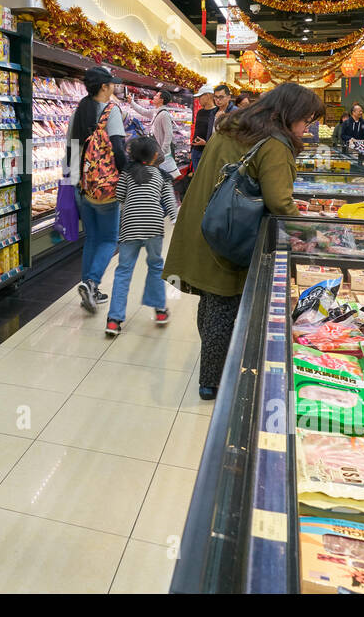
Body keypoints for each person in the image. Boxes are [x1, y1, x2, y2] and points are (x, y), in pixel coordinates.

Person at [164, 82, 325, 399]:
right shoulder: (274, 143)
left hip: (206, 222)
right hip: (232, 233)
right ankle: (214, 383)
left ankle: (211, 369)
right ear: (290, 114)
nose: (307, 128)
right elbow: (280, 202)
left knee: (211, 300)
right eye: (306, 119)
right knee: (224, 304)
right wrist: (314, 234)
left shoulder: (233, 128)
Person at [66, 65, 127, 313]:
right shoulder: (111, 111)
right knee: (109, 239)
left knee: (91, 238)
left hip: (82, 186)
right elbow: (119, 151)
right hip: (105, 188)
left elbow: (70, 151)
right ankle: (92, 283)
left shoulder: (77, 111)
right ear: (104, 86)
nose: (114, 87)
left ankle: (88, 290)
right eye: (112, 83)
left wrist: (72, 182)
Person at [106, 135, 178, 337]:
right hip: (154, 225)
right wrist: (174, 219)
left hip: (130, 225)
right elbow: (170, 202)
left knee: (123, 271)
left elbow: (119, 196)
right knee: (155, 266)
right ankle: (160, 311)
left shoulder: (127, 174)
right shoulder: (162, 176)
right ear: (155, 155)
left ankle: (114, 320)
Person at [125, 88, 180, 182]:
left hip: (162, 154)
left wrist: (162, 152)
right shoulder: (156, 111)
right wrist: (132, 102)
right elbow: (143, 111)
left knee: (163, 179)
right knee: (159, 178)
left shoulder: (164, 115)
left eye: (156, 96)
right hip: (156, 152)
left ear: (161, 100)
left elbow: (168, 134)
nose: (154, 97)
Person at [190, 88, 217, 172]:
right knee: (196, 177)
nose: (198, 99)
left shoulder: (217, 112)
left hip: (207, 152)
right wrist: (192, 150)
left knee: (205, 177)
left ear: (208, 96)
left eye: (200, 96)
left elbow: (218, 135)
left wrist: (206, 143)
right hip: (196, 150)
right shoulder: (200, 112)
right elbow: (197, 131)